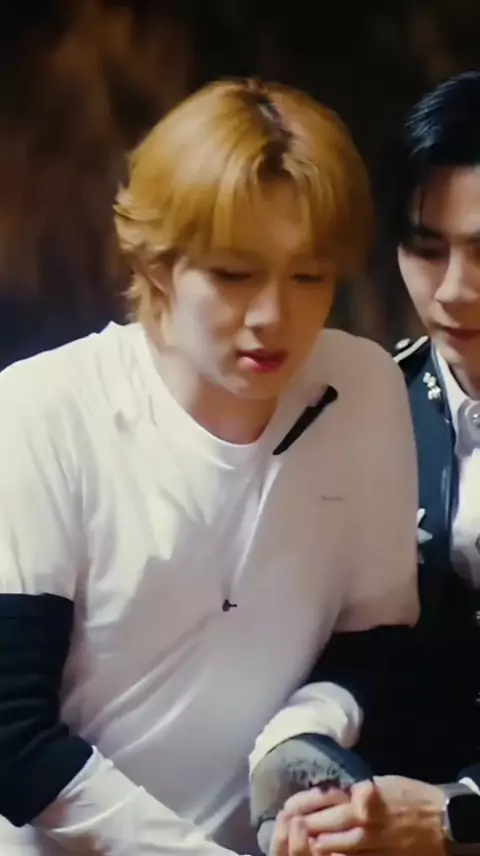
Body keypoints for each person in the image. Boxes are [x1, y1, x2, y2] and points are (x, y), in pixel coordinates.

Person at [0, 78, 418, 856]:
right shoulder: (41, 411)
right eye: (233, 274)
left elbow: (380, 649)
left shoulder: (364, 387)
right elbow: (11, 735)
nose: (273, 317)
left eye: (308, 277)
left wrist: (301, 735)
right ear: (158, 263)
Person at [251, 71, 480, 856]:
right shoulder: (363, 405)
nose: (454, 291)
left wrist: (455, 815)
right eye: (426, 249)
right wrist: (311, 756)